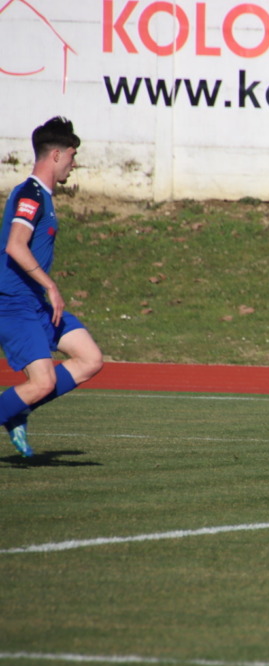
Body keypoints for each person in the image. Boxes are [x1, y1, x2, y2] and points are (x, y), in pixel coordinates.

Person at [0, 116, 104, 457]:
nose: (74, 165)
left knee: (90, 359)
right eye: (72, 156)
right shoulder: (30, 194)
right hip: (13, 303)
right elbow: (15, 245)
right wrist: (51, 286)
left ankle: (16, 407)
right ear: (56, 155)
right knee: (42, 382)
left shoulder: (43, 195)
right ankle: (12, 408)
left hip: (34, 304)